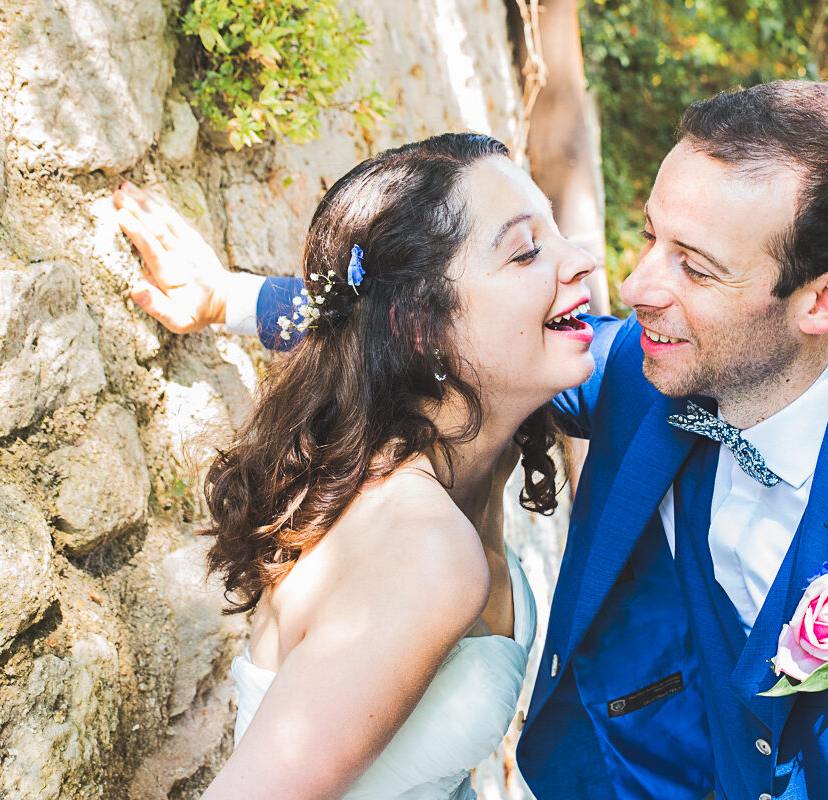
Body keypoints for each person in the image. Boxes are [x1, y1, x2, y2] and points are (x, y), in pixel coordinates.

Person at [115, 81, 828, 800]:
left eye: (691, 261)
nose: (635, 285)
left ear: (824, 297)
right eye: (651, 234)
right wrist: (233, 300)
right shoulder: (650, 365)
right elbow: (437, 327)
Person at [136, 132, 599, 799]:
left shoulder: (464, 464)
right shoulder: (424, 549)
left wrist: (227, 300)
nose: (579, 261)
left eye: (556, 236)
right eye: (527, 251)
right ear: (420, 326)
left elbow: (357, 319)